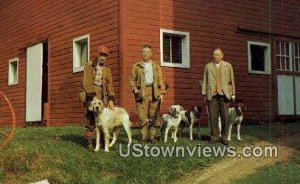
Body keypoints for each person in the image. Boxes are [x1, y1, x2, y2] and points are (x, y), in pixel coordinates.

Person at [79, 45, 115, 150]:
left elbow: (110, 84)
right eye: (101, 55)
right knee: (90, 117)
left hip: (102, 93)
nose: (103, 58)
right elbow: (86, 82)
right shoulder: (89, 65)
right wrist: (93, 96)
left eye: (105, 56)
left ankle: (103, 141)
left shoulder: (107, 69)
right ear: (97, 54)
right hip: (90, 92)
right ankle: (89, 141)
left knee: (103, 117)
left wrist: (111, 99)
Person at [130, 45, 166, 143]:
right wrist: (134, 89)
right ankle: (144, 137)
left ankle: (152, 137)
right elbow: (132, 79)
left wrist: (162, 93)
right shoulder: (136, 66)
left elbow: (161, 80)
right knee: (142, 116)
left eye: (146, 52)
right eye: (143, 52)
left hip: (154, 91)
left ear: (151, 54)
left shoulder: (156, 66)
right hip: (142, 91)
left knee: (153, 115)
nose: (144, 53)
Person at [202, 48, 235, 145]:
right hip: (212, 95)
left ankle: (224, 137)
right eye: (214, 54)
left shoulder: (228, 66)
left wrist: (233, 93)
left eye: (217, 55)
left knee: (225, 116)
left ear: (222, 56)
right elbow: (205, 80)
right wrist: (204, 93)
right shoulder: (208, 66)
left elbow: (231, 80)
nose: (214, 56)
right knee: (213, 117)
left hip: (225, 94)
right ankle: (214, 137)